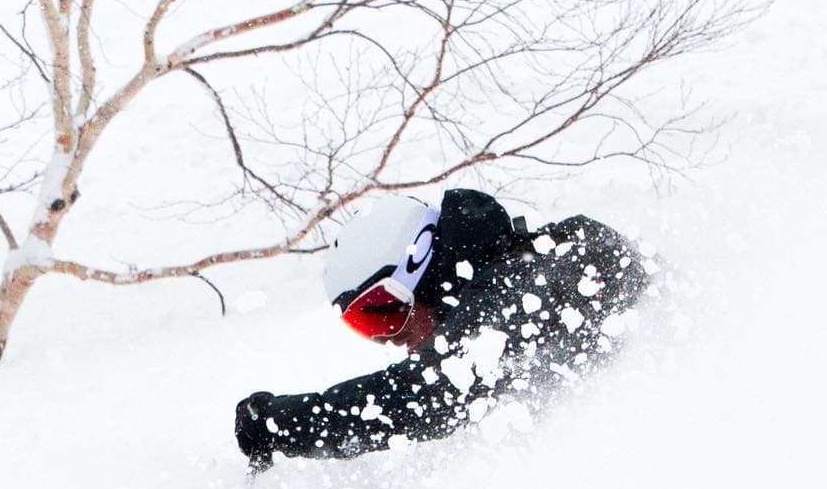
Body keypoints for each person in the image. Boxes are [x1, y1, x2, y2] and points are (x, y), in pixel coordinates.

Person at [234, 189, 651, 465]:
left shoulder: (520, 286)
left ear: (422, 266)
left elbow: (424, 396)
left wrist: (281, 423)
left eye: (383, 310)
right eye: (365, 323)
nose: (388, 338)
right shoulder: (519, 272)